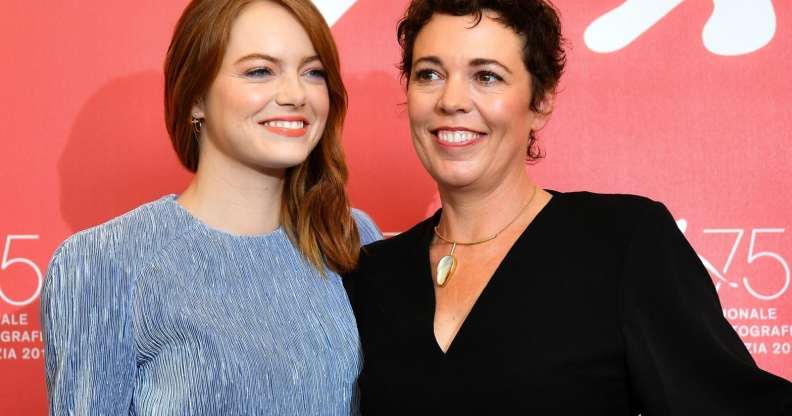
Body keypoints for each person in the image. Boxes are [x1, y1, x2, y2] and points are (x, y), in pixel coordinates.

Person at [344, 0, 792, 414]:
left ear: (540, 102)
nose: (451, 100)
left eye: (487, 76)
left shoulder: (623, 242)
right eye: (429, 74)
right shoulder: (371, 274)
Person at [40, 0, 380, 414]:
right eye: (260, 71)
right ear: (196, 98)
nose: (296, 94)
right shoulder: (104, 263)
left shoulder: (351, 237)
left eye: (313, 72)